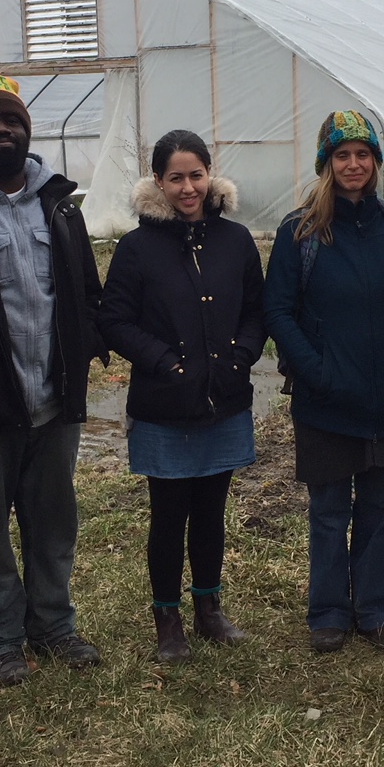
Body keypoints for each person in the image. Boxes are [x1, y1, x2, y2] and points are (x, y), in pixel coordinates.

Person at [0, 74, 107, 687]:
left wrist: (84, 354)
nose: (1, 130)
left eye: (10, 120)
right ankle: (0, 639)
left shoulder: (59, 204)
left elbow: (85, 290)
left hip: (54, 401)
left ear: (26, 130)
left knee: (54, 521)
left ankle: (54, 625)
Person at [263, 110, 384, 652]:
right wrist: (315, 370)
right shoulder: (302, 231)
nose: (354, 164)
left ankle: (379, 610)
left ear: (376, 161)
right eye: (342, 155)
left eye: (363, 154)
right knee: (329, 510)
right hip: (326, 400)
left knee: (380, 507)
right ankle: (329, 612)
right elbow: (278, 311)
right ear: (326, 163)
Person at [98, 130, 265, 662]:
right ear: (158, 181)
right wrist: (163, 361)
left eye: (197, 175)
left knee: (212, 510)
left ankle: (209, 609)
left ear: (210, 174)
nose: (188, 188)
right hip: (164, 406)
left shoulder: (236, 240)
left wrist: (241, 356)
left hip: (223, 399)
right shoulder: (136, 248)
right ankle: (167, 619)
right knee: (169, 514)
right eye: (176, 178)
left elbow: (256, 310)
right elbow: (115, 320)